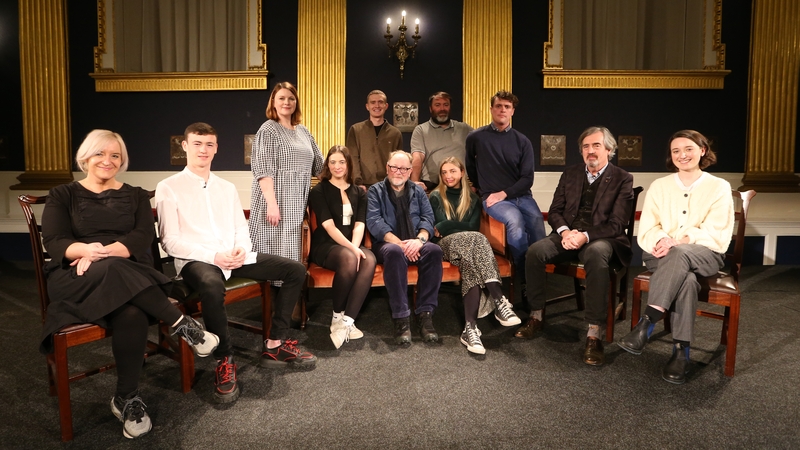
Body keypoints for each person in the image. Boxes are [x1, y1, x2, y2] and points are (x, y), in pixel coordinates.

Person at [40, 130, 218, 439]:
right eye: (100, 154)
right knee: (117, 271)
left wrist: (106, 253)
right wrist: (86, 251)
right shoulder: (62, 194)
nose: (107, 161)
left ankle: (126, 397)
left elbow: (141, 236)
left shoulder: (134, 194)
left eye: (115, 156)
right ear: (85, 157)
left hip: (124, 272)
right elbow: (54, 241)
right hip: (76, 275)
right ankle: (183, 325)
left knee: (132, 313)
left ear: (122, 161)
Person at [157, 123, 317, 405]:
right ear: (185, 146)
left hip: (234, 256)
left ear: (216, 148)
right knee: (211, 284)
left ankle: (275, 343)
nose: (203, 150)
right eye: (197, 144)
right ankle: (224, 358)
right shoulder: (168, 187)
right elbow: (170, 242)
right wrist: (215, 257)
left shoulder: (226, 187)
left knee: (295, 270)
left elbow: (240, 228)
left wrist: (241, 249)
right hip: (198, 260)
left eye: (209, 144)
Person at [618, 130, 734, 384]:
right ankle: (682, 351)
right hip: (660, 252)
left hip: (705, 252)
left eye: (689, 149)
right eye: (676, 151)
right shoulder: (660, 186)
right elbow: (649, 226)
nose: (682, 155)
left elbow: (716, 230)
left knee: (681, 254)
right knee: (687, 280)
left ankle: (647, 322)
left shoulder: (719, 187)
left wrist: (679, 241)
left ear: (702, 150)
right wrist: (663, 241)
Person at [517, 127, 634, 367]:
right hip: (567, 234)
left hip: (602, 239)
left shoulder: (623, 178)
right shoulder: (569, 173)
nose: (590, 151)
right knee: (535, 252)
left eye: (596, 146)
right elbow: (555, 211)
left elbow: (617, 224)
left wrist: (585, 236)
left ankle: (594, 333)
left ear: (609, 150)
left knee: (595, 254)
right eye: (586, 147)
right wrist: (566, 232)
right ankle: (536, 315)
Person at [429, 157, 521, 354]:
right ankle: (499, 299)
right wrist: (445, 226)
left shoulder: (473, 199)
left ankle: (469, 329)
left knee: (471, 260)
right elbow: (437, 230)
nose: (448, 176)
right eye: (444, 172)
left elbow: (466, 227)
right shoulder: (436, 196)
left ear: (462, 173)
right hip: (444, 247)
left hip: (468, 249)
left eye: (452, 171)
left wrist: (447, 225)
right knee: (477, 238)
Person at [465, 90, 546, 297]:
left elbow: (527, 178)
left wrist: (504, 192)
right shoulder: (476, 137)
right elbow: (470, 166)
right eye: (499, 106)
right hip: (493, 198)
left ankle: (539, 274)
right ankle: (524, 279)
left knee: (537, 222)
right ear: (492, 109)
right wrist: (481, 188)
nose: (502, 110)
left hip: (521, 196)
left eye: (507, 107)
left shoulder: (522, 141)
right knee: (515, 224)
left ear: (512, 112)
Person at [366, 151, 443, 345]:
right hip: (387, 244)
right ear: (387, 168)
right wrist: (400, 244)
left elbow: (428, 218)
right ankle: (401, 317)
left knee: (434, 250)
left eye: (403, 169)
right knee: (394, 252)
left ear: (410, 171)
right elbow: (374, 222)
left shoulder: (418, 192)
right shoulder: (375, 191)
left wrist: (419, 241)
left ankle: (425, 314)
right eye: (394, 167)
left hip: (414, 242)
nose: (398, 172)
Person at [249, 81, 323, 282]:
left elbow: (320, 167)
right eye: (281, 98)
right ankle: (272, 303)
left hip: (297, 203)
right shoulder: (268, 130)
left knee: (293, 251)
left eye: (291, 98)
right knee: (274, 250)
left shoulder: (303, 131)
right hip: (275, 201)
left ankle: (291, 303)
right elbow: (263, 171)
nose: (286, 102)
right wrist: (272, 205)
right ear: (273, 101)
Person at [308, 145, 377, 348]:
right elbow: (328, 226)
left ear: (348, 165)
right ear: (327, 165)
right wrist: (353, 250)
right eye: (333, 162)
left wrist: (356, 248)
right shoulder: (319, 190)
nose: (337, 166)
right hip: (326, 246)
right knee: (349, 258)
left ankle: (347, 322)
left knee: (369, 258)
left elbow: (360, 224)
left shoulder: (359, 192)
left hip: (351, 244)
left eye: (341, 162)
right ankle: (337, 315)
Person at [410, 91, 473, 191]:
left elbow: (480, 152)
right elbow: (417, 157)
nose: (442, 109)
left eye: (446, 105)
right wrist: (414, 184)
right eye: (437, 105)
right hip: (432, 185)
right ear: (431, 108)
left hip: (461, 186)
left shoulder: (464, 129)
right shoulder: (421, 130)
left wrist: (476, 184)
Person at [346, 89, 404, 189]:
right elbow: (353, 158)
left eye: (380, 102)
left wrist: (394, 183)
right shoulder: (356, 130)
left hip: (387, 187)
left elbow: (398, 162)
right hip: (362, 186)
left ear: (386, 106)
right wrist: (358, 183)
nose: (377, 106)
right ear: (367, 107)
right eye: (373, 102)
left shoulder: (395, 133)